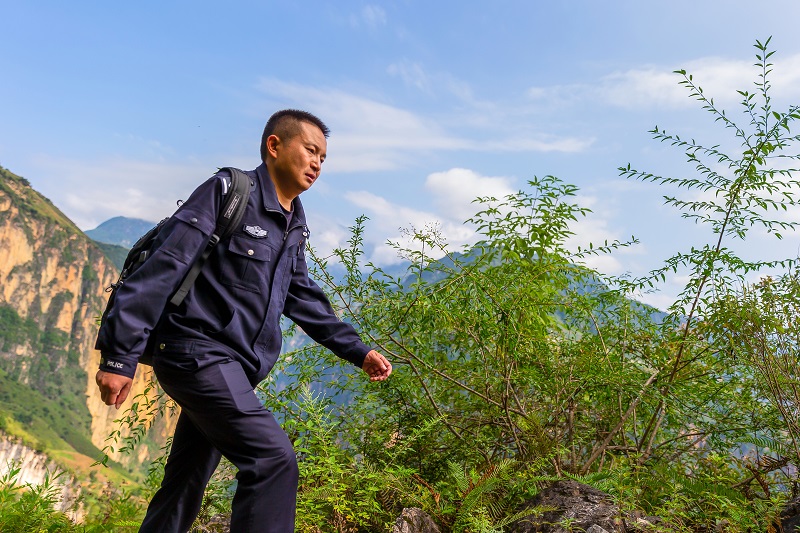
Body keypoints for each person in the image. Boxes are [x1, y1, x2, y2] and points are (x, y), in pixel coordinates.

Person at [94, 109, 392, 532]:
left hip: (232, 370)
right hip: (195, 354)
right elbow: (165, 265)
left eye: (324, 158)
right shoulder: (229, 191)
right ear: (274, 146)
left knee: (185, 482)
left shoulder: (294, 221)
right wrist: (119, 357)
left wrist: (358, 351)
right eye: (310, 151)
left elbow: (301, 296)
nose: (317, 164)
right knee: (273, 459)